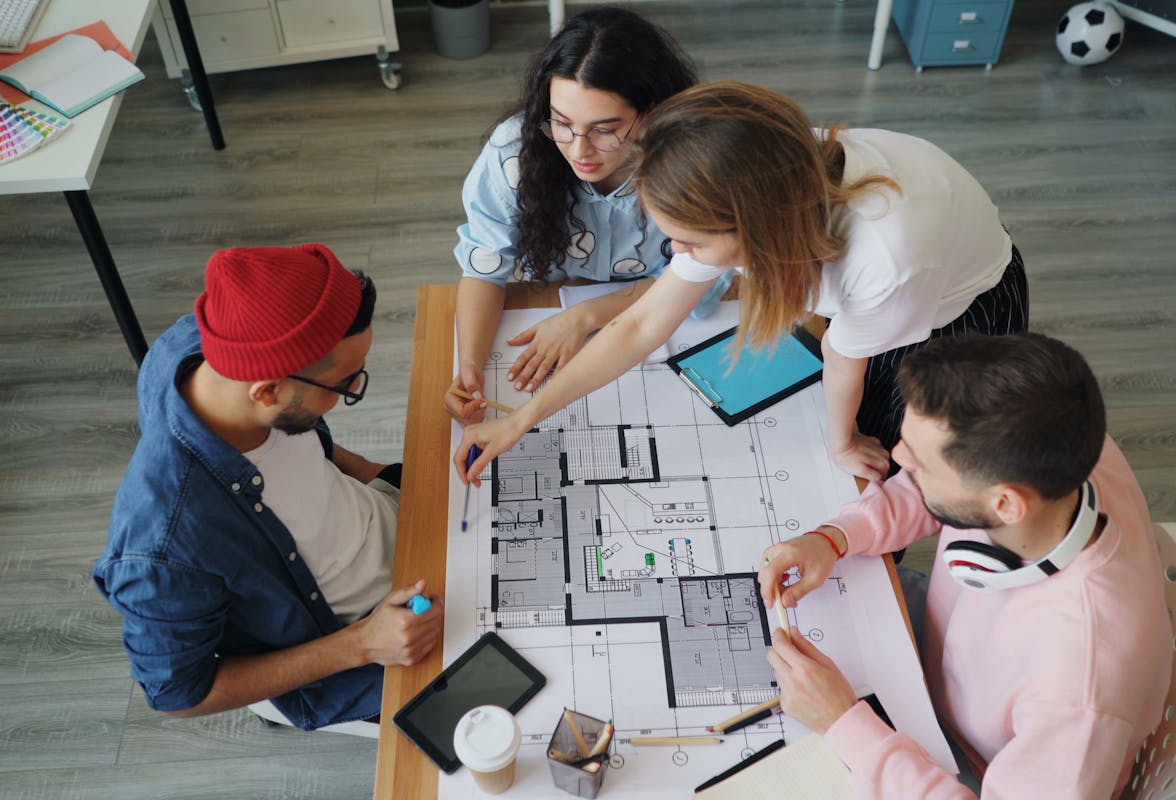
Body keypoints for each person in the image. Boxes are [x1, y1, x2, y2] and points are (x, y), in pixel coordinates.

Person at [452, 81, 1028, 483]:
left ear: (753, 227)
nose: (678, 256)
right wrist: (521, 420)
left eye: (693, 244)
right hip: (875, 276)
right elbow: (641, 325)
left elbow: (843, 354)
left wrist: (842, 442)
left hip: (957, 308)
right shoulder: (744, 179)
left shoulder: (884, 258)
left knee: (903, 456)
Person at [758, 333, 1168, 799]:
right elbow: (929, 493)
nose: (897, 458)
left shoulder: (1080, 691)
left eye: (921, 463)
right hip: (939, 667)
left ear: (1006, 505)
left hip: (976, 769)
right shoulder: (1051, 444)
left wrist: (843, 723)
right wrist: (834, 538)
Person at [95, 244, 442, 731]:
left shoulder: (206, 346)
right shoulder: (162, 547)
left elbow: (306, 451)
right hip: (363, 634)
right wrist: (363, 643)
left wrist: (385, 474)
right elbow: (176, 693)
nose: (350, 393)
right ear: (266, 392)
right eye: (345, 385)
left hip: (390, 526)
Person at [444, 7, 721, 424]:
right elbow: (484, 264)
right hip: (564, 305)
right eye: (561, 123)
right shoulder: (513, 154)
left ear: (654, 111)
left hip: (664, 317)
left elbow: (712, 274)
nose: (578, 150)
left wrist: (586, 316)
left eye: (605, 130)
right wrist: (469, 367)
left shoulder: (695, 162)